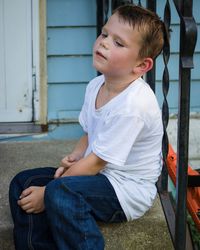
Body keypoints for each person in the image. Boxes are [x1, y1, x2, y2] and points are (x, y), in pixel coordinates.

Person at [9, 4, 167, 250]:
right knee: (24, 182)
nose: (104, 43)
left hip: (125, 192)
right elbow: (89, 132)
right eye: (104, 34)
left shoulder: (133, 106)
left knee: (59, 193)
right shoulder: (96, 85)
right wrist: (75, 156)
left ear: (141, 66)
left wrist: (48, 192)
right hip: (100, 176)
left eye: (118, 43)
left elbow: (96, 163)